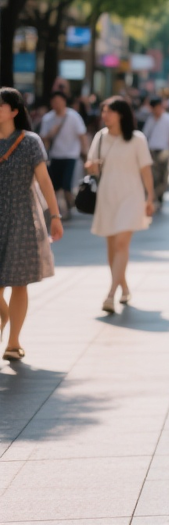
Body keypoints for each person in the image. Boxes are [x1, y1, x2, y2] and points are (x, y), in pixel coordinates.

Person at [0, 88, 63, 361]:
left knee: (18, 282)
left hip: (22, 218)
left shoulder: (30, 141)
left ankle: (13, 342)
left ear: (14, 111)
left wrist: (56, 217)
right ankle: (4, 318)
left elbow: (45, 181)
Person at [85, 97, 154, 313]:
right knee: (112, 247)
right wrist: (92, 166)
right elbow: (91, 167)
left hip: (131, 196)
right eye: (103, 111)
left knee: (122, 245)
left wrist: (150, 197)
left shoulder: (136, 139)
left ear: (121, 114)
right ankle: (124, 286)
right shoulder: (100, 137)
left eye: (109, 112)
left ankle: (110, 294)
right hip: (107, 195)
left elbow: (146, 170)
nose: (104, 115)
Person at [38, 90, 88, 218]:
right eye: (54, 102)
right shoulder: (48, 118)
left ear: (64, 102)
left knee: (67, 184)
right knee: (55, 185)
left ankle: (68, 209)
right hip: (55, 155)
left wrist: (85, 152)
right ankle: (57, 209)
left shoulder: (74, 116)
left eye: (59, 101)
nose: (57, 104)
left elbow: (82, 135)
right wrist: (51, 133)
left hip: (71, 155)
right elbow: (43, 138)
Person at [142, 97, 169, 206]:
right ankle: (153, 196)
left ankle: (159, 195)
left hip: (165, 150)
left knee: (163, 175)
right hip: (152, 150)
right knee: (153, 175)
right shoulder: (150, 120)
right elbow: (145, 135)